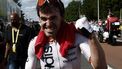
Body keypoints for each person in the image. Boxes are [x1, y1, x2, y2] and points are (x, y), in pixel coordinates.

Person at [25, 0, 107, 69]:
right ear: (39, 19)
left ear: (62, 17)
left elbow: (101, 67)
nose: (48, 24)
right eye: (43, 19)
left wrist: (91, 36)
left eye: (53, 18)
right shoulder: (35, 43)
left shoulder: (75, 37)